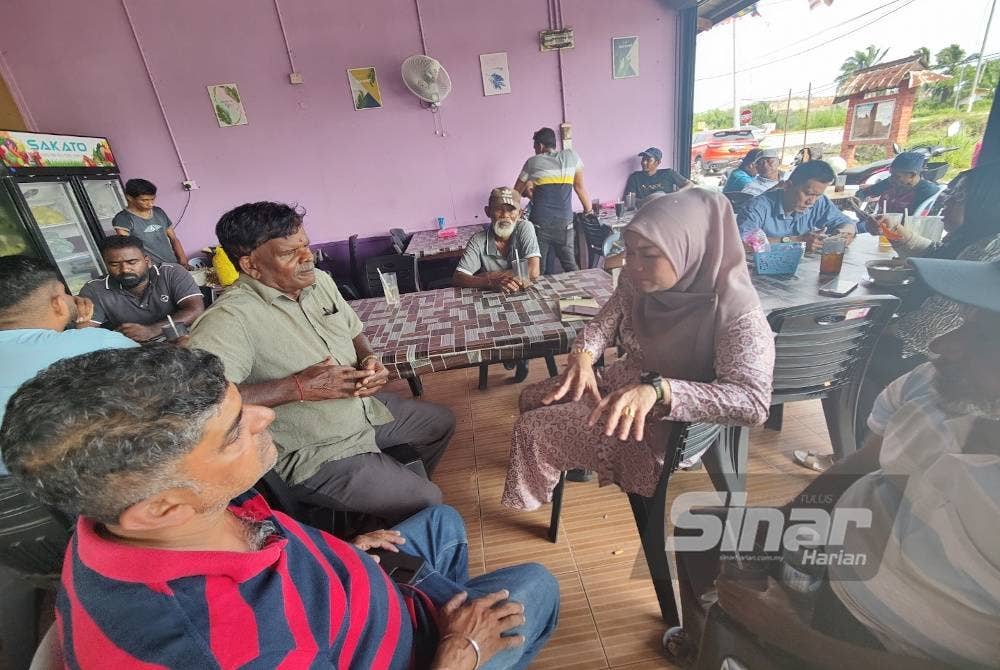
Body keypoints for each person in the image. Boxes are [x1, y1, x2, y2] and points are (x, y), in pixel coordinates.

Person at [0, 346, 560, 669]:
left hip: (357, 589)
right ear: (163, 509)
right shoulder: (225, 644)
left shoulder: (142, 515)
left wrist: (340, 553)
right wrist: (460, 649)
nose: (266, 417)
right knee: (538, 584)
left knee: (440, 519)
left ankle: (439, 606)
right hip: (422, 653)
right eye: (235, 431)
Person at [674, 258, 1000, 670]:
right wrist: (781, 523)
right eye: (966, 320)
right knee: (699, 530)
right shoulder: (933, 387)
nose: (942, 346)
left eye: (988, 337)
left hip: (876, 643)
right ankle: (709, 641)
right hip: (836, 555)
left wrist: (794, 637)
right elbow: (860, 465)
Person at [502, 188, 775, 511]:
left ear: (689, 249)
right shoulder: (637, 282)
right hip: (624, 382)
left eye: (648, 254)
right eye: (629, 251)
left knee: (531, 428)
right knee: (531, 398)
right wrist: (583, 356)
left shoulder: (738, 314)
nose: (634, 265)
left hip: (661, 426)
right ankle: (559, 466)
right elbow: (604, 322)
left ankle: (530, 501)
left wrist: (660, 391)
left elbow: (754, 403)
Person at [187, 202, 454, 525]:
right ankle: (393, 515)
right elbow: (201, 403)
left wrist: (369, 359)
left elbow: (354, 331)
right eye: (290, 253)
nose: (307, 257)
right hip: (314, 449)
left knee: (439, 422)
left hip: (361, 412)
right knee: (427, 500)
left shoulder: (318, 283)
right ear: (251, 265)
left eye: (306, 246)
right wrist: (296, 387)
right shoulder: (231, 318)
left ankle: (388, 506)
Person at [0, 255, 138, 472]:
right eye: (65, 293)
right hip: (75, 478)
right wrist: (85, 330)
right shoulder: (98, 342)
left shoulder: (86, 343)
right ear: (57, 303)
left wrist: (82, 332)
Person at [78, 235, 204, 343]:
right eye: (114, 264)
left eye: (132, 262)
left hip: (180, 339)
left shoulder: (171, 273)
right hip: (136, 352)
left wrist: (152, 330)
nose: (125, 269)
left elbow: (195, 310)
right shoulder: (94, 289)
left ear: (147, 261)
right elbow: (85, 333)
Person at [513, 127, 592, 274]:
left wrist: (515, 214)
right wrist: (589, 211)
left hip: (540, 224)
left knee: (538, 269)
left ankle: (539, 295)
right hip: (565, 223)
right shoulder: (572, 157)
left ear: (540, 146)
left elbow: (515, 192)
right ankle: (582, 294)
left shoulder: (532, 162)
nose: (535, 151)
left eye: (535, 147)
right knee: (570, 266)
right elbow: (579, 187)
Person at [737, 160, 857, 252]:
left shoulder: (819, 202)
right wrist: (798, 240)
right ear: (788, 186)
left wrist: (842, 234)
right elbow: (743, 243)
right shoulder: (757, 207)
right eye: (808, 194)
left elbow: (847, 222)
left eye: (818, 195)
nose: (811, 201)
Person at [452, 187, 541, 293]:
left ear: (520, 214)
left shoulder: (525, 227)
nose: (505, 215)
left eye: (511, 210)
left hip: (525, 293)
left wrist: (487, 275)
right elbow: (458, 277)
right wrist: (491, 282)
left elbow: (533, 272)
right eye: (499, 209)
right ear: (488, 211)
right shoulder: (478, 240)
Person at [112, 178, 189, 266]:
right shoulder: (123, 219)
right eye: (144, 200)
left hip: (173, 263)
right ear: (129, 198)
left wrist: (183, 260)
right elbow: (129, 250)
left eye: (152, 199)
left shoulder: (158, 212)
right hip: (151, 269)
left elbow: (174, 239)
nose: (150, 204)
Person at [854, 151, 940, 214]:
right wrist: (858, 199)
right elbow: (866, 192)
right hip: (879, 226)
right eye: (891, 174)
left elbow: (914, 219)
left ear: (912, 175)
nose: (891, 179)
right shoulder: (891, 182)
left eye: (897, 176)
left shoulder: (926, 191)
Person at [622, 147, 690, 203]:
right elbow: (630, 200)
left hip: (666, 210)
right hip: (645, 211)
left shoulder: (668, 173)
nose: (644, 162)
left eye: (648, 160)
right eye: (643, 159)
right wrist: (648, 200)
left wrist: (677, 194)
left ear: (657, 162)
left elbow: (689, 184)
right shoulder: (635, 177)